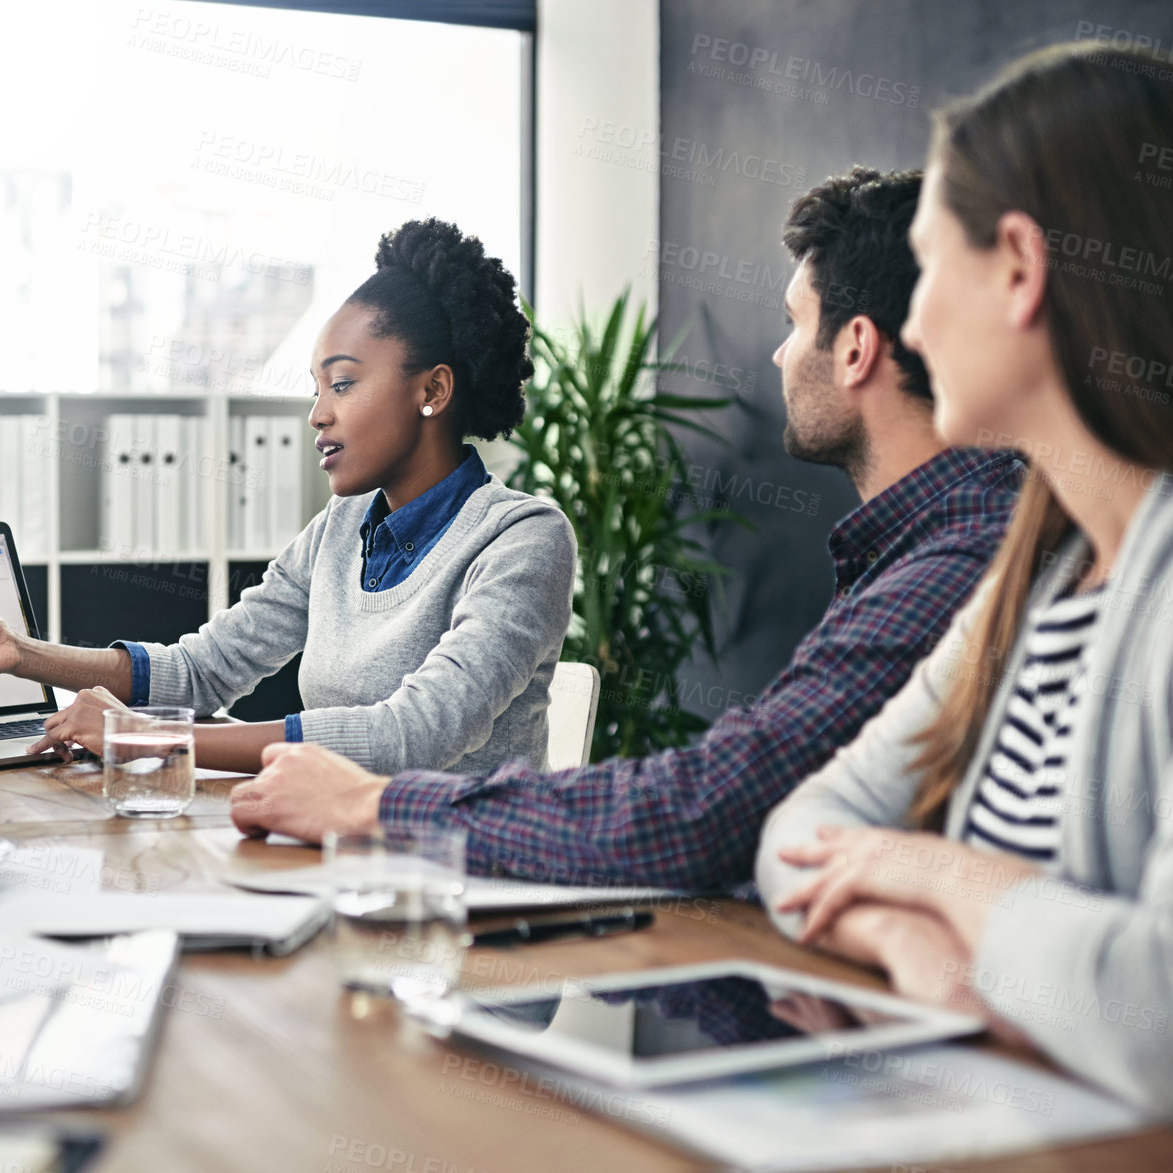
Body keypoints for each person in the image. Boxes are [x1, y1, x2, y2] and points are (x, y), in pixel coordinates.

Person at [754, 43, 1173, 1132]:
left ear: (1021, 269)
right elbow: (798, 833)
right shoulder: (1049, 566)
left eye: (930, 272)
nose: (912, 327)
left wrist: (933, 873)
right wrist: (915, 947)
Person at [227, 168, 1024, 889]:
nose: (779, 355)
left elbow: (714, 807)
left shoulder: (957, 559)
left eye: (794, 323)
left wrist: (379, 805)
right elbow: (791, 811)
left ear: (855, 347)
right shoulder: (910, 549)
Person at [0, 219, 577, 776]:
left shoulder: (522, 539)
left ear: (433, 390)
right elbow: (200, 670)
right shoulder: (341, 527)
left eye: (344, 382)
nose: (317, 414)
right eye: (316, 388)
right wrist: (18, 653)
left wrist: (157, 738)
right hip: (330, 856)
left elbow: (411, 734)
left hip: (461, 893)